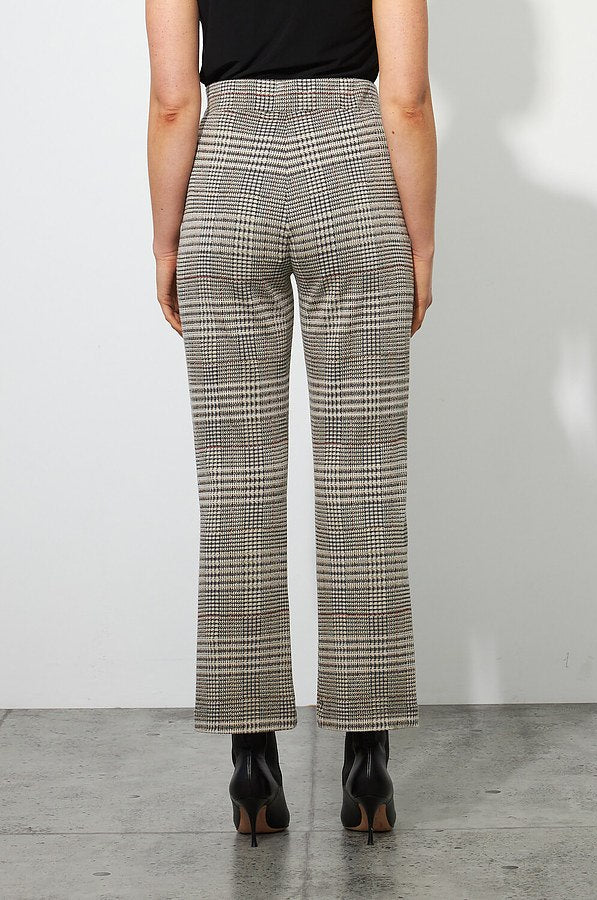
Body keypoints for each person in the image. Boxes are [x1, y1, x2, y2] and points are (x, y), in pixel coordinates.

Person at [145, 0, 436, 847]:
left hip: (228, 171)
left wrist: (167, 242)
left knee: (235, 487)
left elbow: (173, 100)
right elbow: (406, 97)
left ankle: (252, 762)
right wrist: (421, 243)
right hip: (353, 168)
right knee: (365, 484)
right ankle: (367, 759)